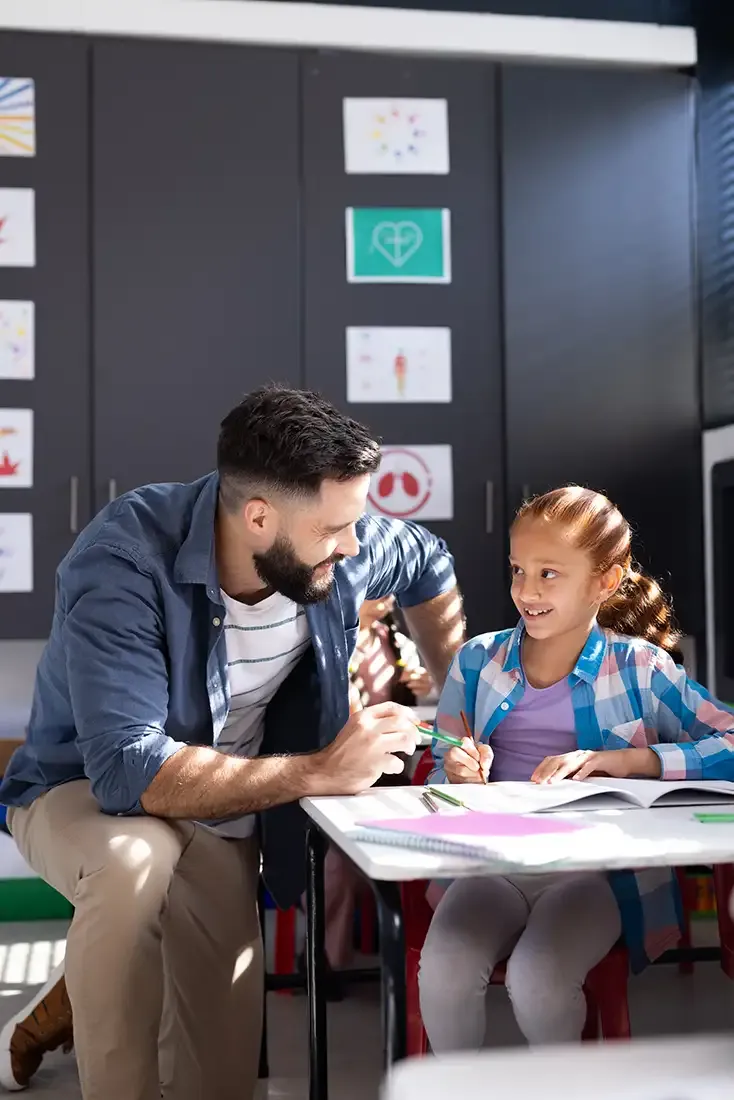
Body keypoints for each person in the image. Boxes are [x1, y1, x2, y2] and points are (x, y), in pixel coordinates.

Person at [0, 386, 464, 1099]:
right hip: (82, 790)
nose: (352, 543)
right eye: (334, 528)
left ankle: (62, 1007)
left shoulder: (348, 544)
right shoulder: (122, 560)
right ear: (257, 517)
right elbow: (130, 772)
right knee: (136, 858)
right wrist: (318, 770)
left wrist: (461, 707)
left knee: (217, 1076)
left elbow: (429, 563)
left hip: (221, 806)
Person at [419, 485, 734, 1052]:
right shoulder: (476, 660)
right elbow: (436, 773)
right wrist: (456, 774)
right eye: (518, 570)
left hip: (594, 877)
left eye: (549, 574)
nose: (526, 591)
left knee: (538, 978)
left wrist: (632, 761)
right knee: (442, 970)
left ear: (605, 582)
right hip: (492, 866)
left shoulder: (639, 666)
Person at [317, 595, 435, 990]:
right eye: (374, 587)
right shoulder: (328, 639)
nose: (386, 597)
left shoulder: (395, 640)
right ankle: (326, 960)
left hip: (391, 772)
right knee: (337, 867)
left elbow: (418, 705)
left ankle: (414, 957)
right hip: (338, 774)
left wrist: (425, 686)